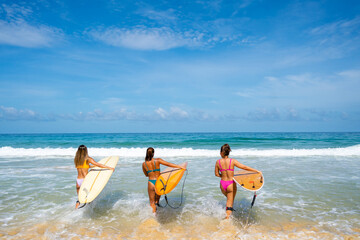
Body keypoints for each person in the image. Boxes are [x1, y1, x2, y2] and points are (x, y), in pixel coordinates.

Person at [215, 144, 260, 219]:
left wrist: (223, 176)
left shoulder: (218, 162)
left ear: (221, 152)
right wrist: (256, 171)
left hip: (222, 184)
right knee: (230, 202)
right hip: (230, 184)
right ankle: (227, 219)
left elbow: (216, 174)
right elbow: (244, 167)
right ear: (229, 152)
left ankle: (230, 212)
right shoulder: (232, 161)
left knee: (229, 200)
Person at [142, 147, 184, 213]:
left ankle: (153, 217)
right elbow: (169, 164)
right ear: (153, 153)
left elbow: (146, 175)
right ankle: (159, 214)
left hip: (151, 183)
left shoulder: (144, 164)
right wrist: (180, 167)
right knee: (157, 201)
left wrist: (153, 173)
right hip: (158, 182)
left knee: (152, 203)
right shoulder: (158, 160)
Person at [74, 145, 114, 209]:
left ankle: (75, 211)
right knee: (89, 199)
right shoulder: (88, 159)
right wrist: (109, 167)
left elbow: (83, 167)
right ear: (85, 151)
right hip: (85, 180)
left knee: (80, 199)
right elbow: (98, 164)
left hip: (78, 181)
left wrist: (92, 166)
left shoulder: (76, 159)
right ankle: (90, 213)